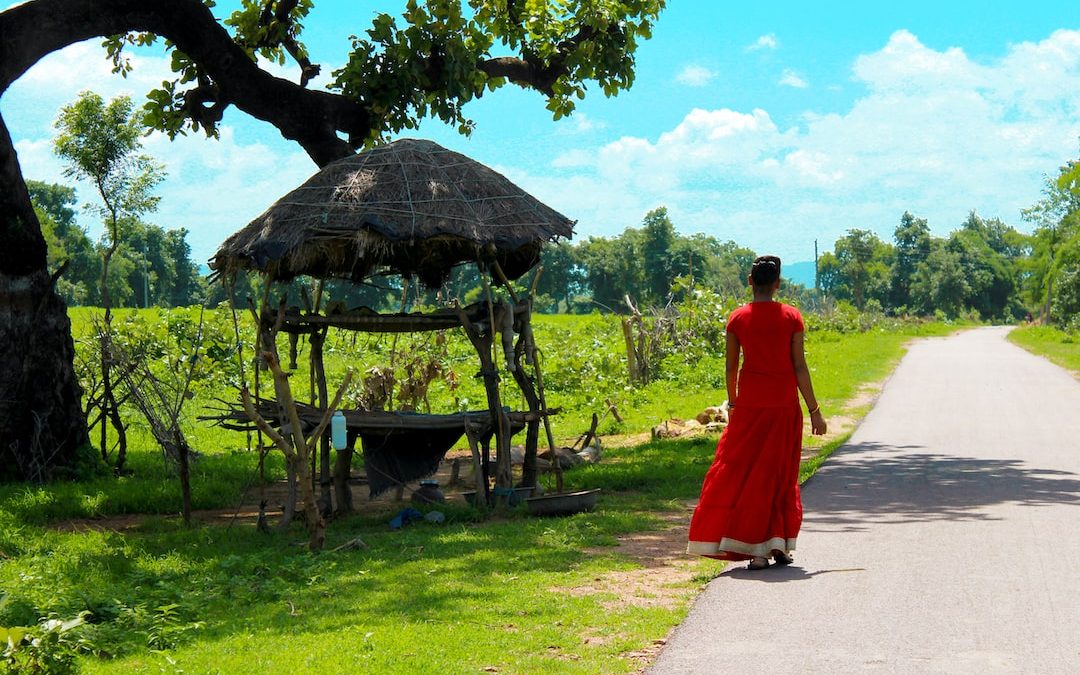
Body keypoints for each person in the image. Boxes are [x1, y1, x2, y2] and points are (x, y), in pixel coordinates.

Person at [687, 255, 827, 569]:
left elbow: (731, 368)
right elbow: (799, 366)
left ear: (750, 282)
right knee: (779, 474)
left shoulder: (737, 319)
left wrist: (733, 403)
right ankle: (776, 545)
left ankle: (763, 549)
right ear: (777, 283)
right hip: (783, 406)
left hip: (750, 406)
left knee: (748, 473)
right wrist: (815, 410)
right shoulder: (792, 317)